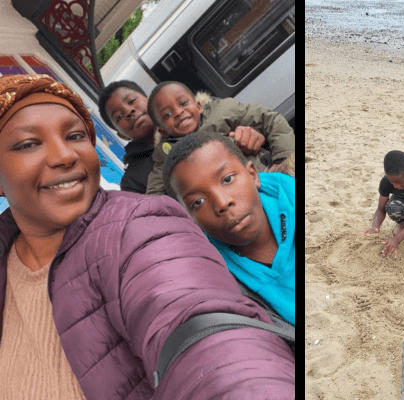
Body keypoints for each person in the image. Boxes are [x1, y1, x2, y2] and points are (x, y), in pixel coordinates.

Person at [0, 74, 294, 399]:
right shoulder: (146, 168)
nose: (64, 155)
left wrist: (277, 158)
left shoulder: (140, 228)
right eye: (28, 143)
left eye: (75, 135)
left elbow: (198, 324)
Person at [163, 132, 295, 326]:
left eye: (227, 179)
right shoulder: (216, 282)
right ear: (191, 220)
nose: (222, 203)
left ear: (252, 175)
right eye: (198, 202)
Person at [145, 81, 295, 195]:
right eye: (167, 114)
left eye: (183, 103)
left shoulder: (224, 111)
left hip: (268, 180)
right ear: (162, 131)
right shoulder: (166, 158)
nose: (178, 112)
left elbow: (271, 120)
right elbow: (155, 197)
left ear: (198, 106)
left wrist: (283, 161)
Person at [98, 80, 156, 194]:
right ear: (121, 135)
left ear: (149, 99)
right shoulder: (132, 183)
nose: (128, 111)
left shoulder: (190, 121)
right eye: (119, 116)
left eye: (132, 101)